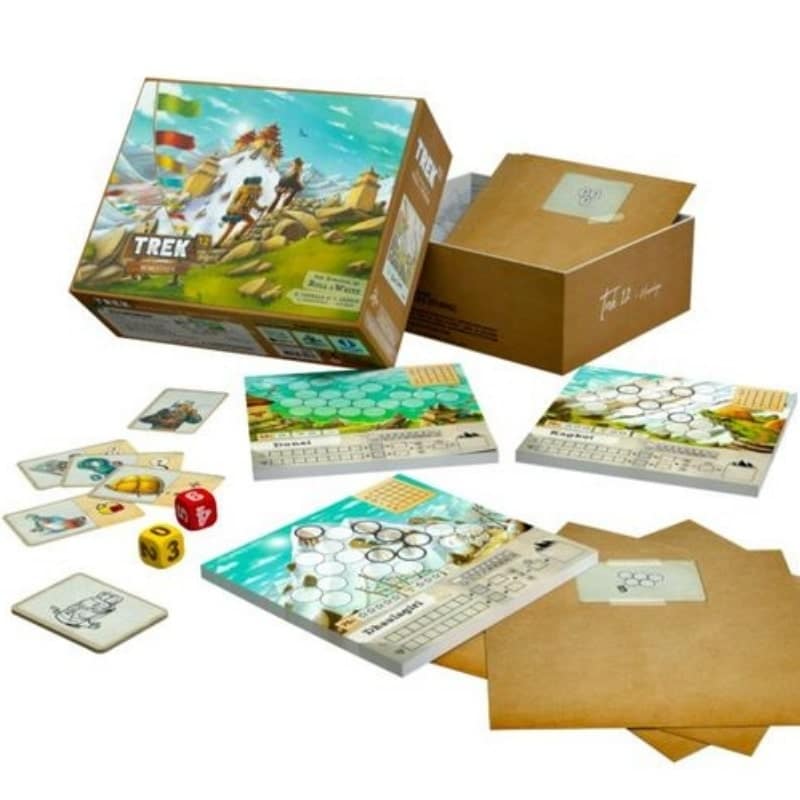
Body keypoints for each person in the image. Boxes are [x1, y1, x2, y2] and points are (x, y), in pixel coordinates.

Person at [215, 176, 266, 246]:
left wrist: (231, 209)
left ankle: (221, 242)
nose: (259, 194)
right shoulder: (252, 191)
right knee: (251, 222)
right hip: (241, 211)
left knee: (231, 228)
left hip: (234, 210)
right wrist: (261, 208)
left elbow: (236, 200)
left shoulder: (243, 188)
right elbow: (252, 203)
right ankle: (237, 236)